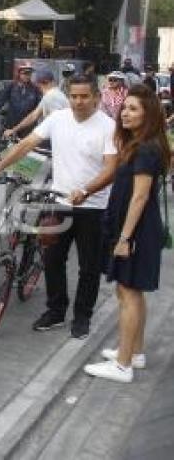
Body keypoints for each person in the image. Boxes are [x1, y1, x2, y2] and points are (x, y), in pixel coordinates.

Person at [0, 75, 118, 339]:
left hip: (93, 207)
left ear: (96, 97)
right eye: (74, 96)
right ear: (68, 96)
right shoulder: (57, 119)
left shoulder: (109, 127)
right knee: (53, 260)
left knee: (88, 267)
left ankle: (82, 317)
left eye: (84, 96)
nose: (79, 102)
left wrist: (86, 191)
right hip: (59, 202)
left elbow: (112, 168)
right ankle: (56, 311)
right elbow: (26, 144)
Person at [84, 85, 171, 383]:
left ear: (148, 115)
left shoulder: (146, 148)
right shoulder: (140, 144)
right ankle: (134, 352)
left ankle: (122, 365)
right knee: (132, 291)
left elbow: (140, 197)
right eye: (125, 108)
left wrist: (124, 239)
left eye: (134, 109)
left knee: (128, 293)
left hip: (137, 231)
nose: (125, 113)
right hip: (136, 229)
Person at [2, 69, 69, 138]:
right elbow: (33, 116)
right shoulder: (52, 94)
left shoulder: (51, 97)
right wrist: (14, 130)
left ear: (39, 84)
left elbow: (58, 124)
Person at [0, 65, 42, 137]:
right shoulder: (11, 86)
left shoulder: (35, 89)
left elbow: (40, 106)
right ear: (19, 73)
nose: (27, 76)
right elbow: (0, 99)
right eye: (25, 73)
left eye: (29, 73)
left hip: (28, 127)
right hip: (12, 124)